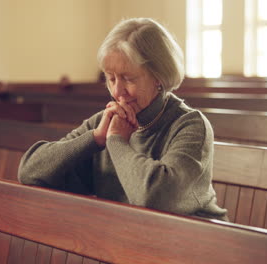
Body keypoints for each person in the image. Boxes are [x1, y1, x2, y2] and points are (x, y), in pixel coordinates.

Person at [18, 18, 228, 221]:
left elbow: (154, 199)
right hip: (130, 238)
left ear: (159, 76)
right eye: (111, 78)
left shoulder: (190, 125)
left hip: (197, 243)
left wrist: (116, 141)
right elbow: (30, 172)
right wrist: (95, 138)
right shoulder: (104, 123)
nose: (118, 92)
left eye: (128, 79)